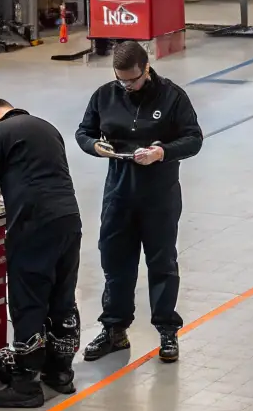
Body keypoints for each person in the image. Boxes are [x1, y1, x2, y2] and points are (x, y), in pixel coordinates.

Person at [77, 42, 203, 364]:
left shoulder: (172, 97)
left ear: (146, 69)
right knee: (116, 263)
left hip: (158, 196)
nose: (126, 86)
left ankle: (166, 331)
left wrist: (162, 153)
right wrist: (95, 146)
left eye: (132, 80)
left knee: (161, 264)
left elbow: (193, 139)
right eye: (121, 80)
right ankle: (114, 330)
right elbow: (83, 132)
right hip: (118, 194)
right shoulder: (105, 95)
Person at [0, 97, 83, 408]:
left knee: (28, 301)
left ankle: (26, 385)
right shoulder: (47, 127)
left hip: (33, 225)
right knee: (62, 296)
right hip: (68, 220)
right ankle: (61, 373)